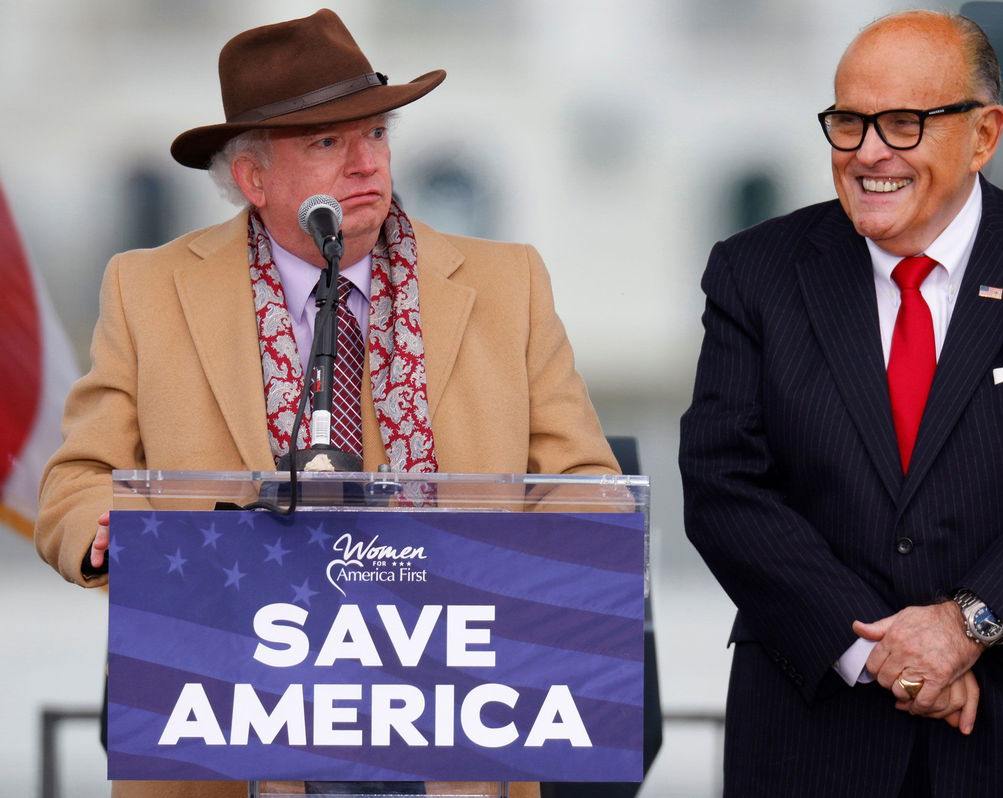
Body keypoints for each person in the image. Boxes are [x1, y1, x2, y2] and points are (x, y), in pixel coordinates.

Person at [36, 9, 617, 798]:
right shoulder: (146, 291)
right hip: (232, 726)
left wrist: (537, 588)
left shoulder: (507, 284)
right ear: (253, 178)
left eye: (376, 134)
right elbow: (75, 483)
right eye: (326, 143)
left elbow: (587, 488)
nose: (365, 163)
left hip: (454, 725)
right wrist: (104, 533)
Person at [679, 10, 1003, 796]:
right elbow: (723, 485)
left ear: (983, 136)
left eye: (904, 123)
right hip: (818, 737)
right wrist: (883, 654)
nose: (869, 152)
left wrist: (966, 624)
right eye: (848, 121)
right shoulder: (755, 271)